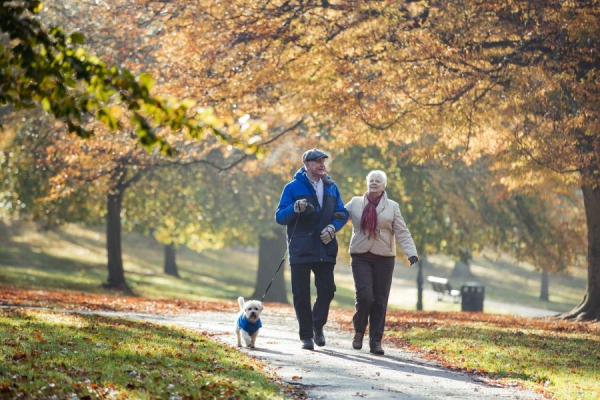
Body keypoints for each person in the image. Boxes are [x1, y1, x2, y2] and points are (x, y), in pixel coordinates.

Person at [276, 149, 349, 350]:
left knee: (327, 290)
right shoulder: (292, 187)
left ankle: (317, 326)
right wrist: (294, 208)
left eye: (323, 161)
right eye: (317, 162)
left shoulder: (332, 187)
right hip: (300, 247)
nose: (322, 165)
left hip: (325, 247)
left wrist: (333, 227)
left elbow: (342, 213)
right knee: (301, 294)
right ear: (306, 165)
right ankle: (306, 336)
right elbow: (280, 216)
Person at [345, 170, 418, 355]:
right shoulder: (355, 203)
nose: (374, 183)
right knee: (364, 297)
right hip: (360, 255)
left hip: (384, 258)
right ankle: (359, 331)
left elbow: (401, 231)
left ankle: (376, 341)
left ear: (384, 186)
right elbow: (338, 218)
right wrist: (327, 228)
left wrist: (411, 252)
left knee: (380, 301)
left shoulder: (392, 207)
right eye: (371, 180)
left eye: (378, 181)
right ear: (367, 183)